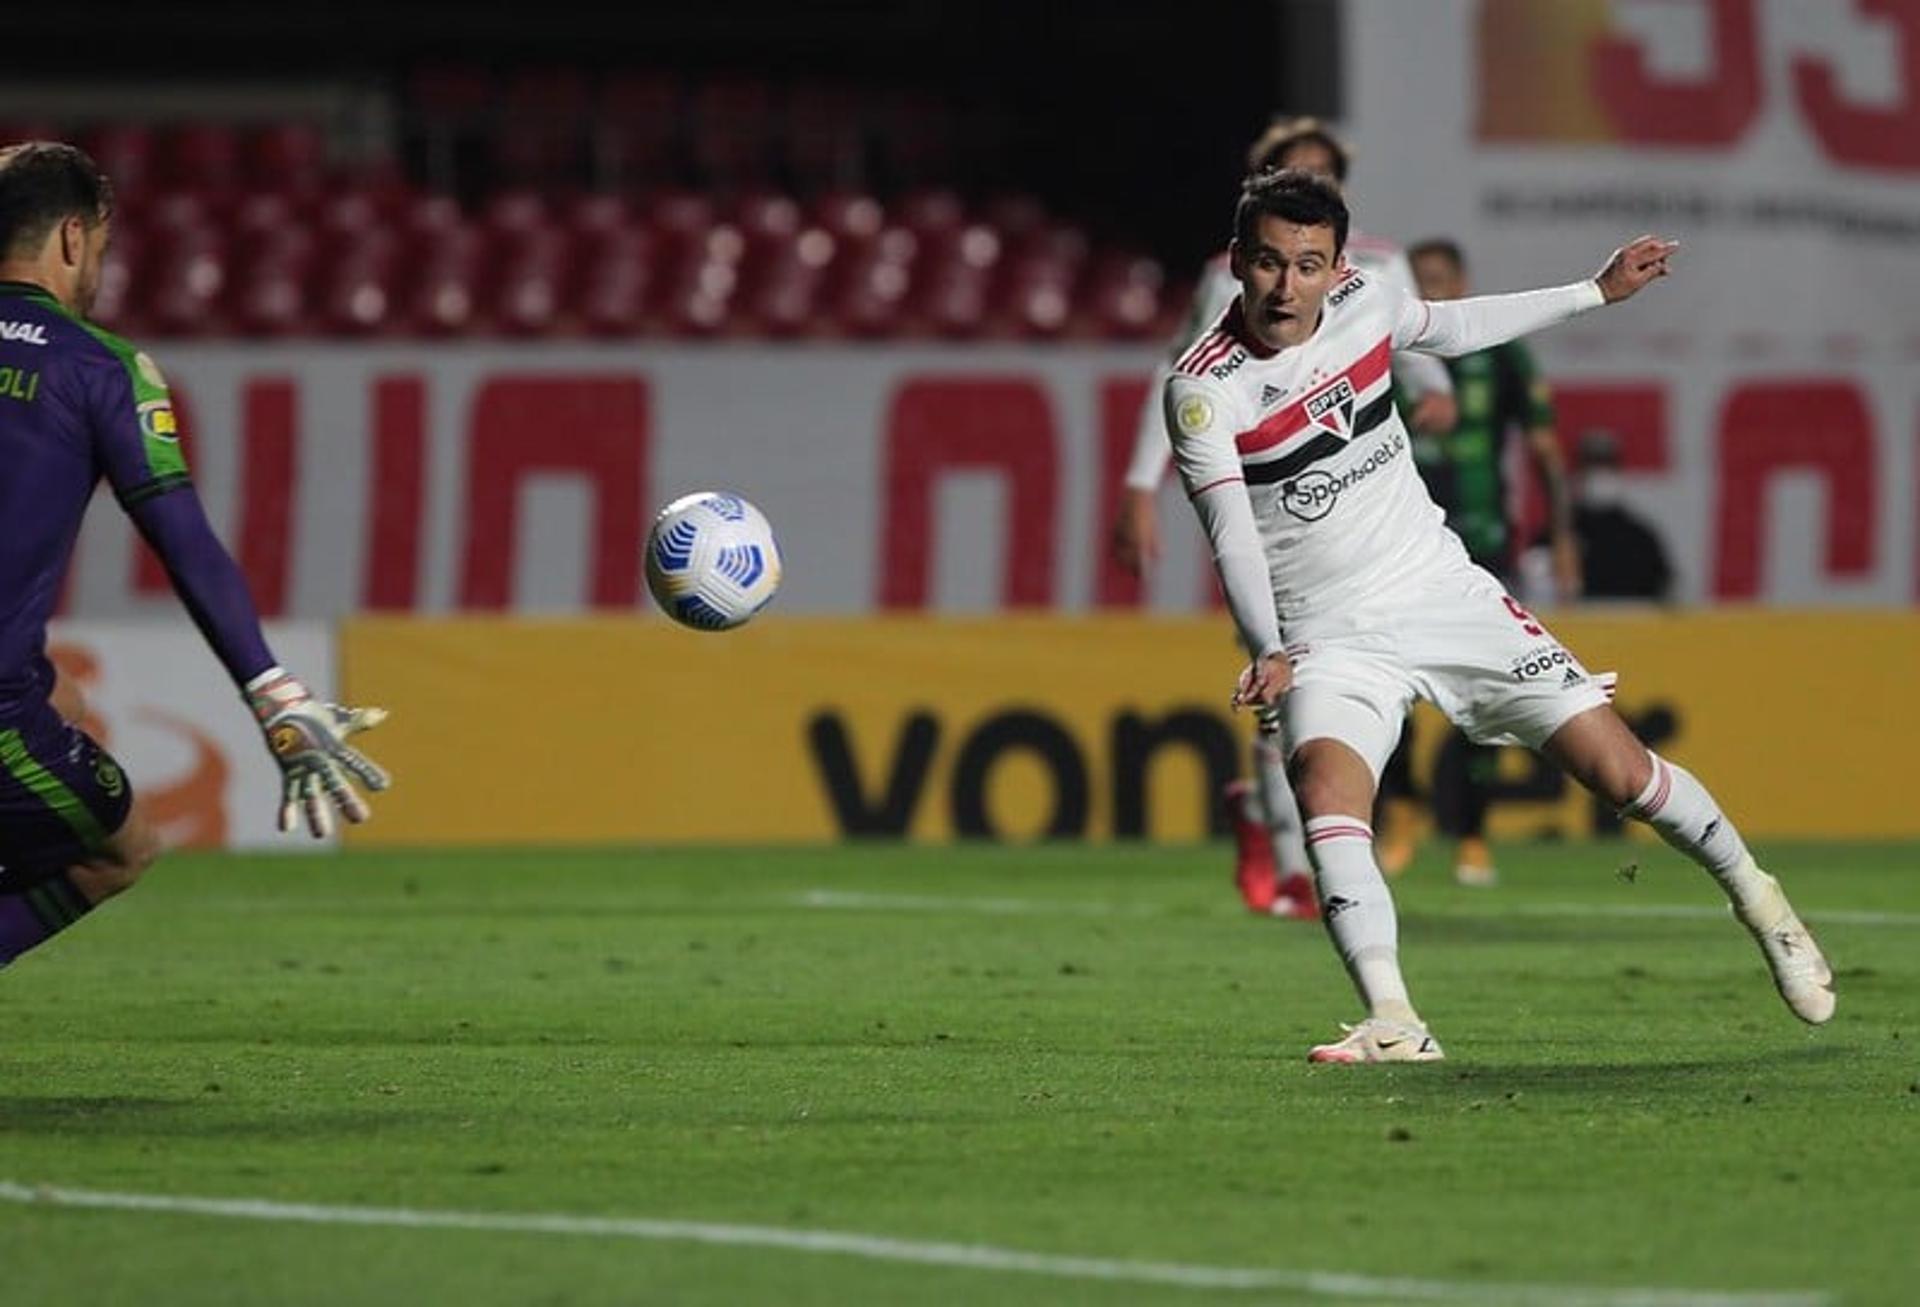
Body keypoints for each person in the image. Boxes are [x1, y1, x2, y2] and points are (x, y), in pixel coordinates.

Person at [1164, 168, 1833, 1062]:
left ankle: (1760, 899)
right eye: (1270, 263)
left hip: (1440, 590)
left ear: (1336, 267)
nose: (1287, 288)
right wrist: (1270, 647)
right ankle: (1395, 1019)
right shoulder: (1206, 388)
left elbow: (1457, 327)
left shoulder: (1368, 303)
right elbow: (1232, 537)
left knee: (1623, 773)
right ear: (1240, 262)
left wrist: (1594, 292)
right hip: (1325, 633)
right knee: (1328, 793)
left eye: (1309, 264)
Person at [0, 142, 390, 973]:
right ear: (72, 238)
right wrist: (273, 692)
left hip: (14, 678)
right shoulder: (100, 367)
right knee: (117, 850)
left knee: (59, 691)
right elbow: (185, 543)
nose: (97, 267)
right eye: (100, 248)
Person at [1111, 117, 1456, 920]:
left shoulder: (1374, 265)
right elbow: (1181, 373)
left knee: (1359, 694)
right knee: (1288, 679)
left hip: (1367, 508)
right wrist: (1139, 483)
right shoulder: (1224, 276)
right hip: (1270, 508)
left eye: (1322, 172)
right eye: (1292, 170)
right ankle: (1298, 866)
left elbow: (1414, 334)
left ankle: (1278, 828)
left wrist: (1435, 387)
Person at [1369, 237, 1584, 888]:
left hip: (1484, 541)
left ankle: (1471, 834)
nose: (1430, 291)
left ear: (1463, 282)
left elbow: (1546, 450)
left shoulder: (1503, 355)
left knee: (1490, 690)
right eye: (1420, 280)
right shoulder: (1386, 357)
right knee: (1394, 689)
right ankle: (1401, 807)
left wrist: (1563, 535)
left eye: (1440, 279)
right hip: (1398, 548)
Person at [1570, 430, 1674, 601]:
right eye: (1592, 465)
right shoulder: (1559, 536)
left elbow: (1664, 591)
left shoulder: (1640, 538)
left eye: (1606, 464)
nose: (1599, 473)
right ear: (1579, 471)